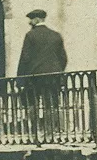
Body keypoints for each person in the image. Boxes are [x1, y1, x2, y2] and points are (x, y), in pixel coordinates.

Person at [16, 8, 67, 142]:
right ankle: (50, 134)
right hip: (54, 77)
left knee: (32, 104)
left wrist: (20, 81)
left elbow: (25, 59)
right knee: (52, 105)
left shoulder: (30, 36)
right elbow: (63, 58)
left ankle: (35, 135)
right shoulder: (56, 35)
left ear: (37, 19)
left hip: (35, 78)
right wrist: (57, 71)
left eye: (31, 19)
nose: (30, 22)